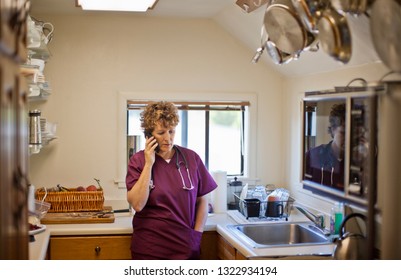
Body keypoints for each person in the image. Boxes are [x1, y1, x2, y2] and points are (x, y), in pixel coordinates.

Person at [126, 101, 218, 260]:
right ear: (148, 135)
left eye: (171, 131)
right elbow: (137, 204)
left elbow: (203, 200)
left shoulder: (191, 158)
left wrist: (196, 235)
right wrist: (149, 163)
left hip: (184, 246)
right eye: (161, 133)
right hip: (149, 248)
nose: (168, 138)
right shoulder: (138, 161)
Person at [304, 103, 346, 190]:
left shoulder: (358, 163)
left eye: (353, 133)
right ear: (333, 129)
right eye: (343, 133)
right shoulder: (312, 156)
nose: (349, 138)